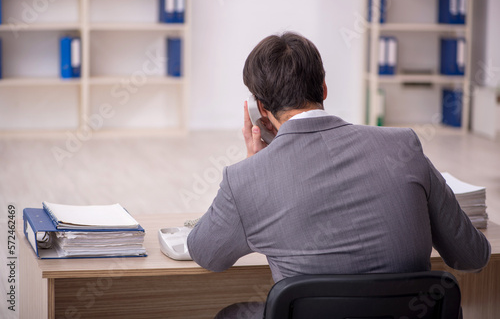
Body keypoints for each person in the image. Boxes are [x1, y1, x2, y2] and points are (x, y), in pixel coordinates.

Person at [186, 32, 491, 318]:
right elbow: (472, 256)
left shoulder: (245, 179)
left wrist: (256, 165)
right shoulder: (404, 145)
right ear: (323, 89)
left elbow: (206, 254)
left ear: (260, 109)